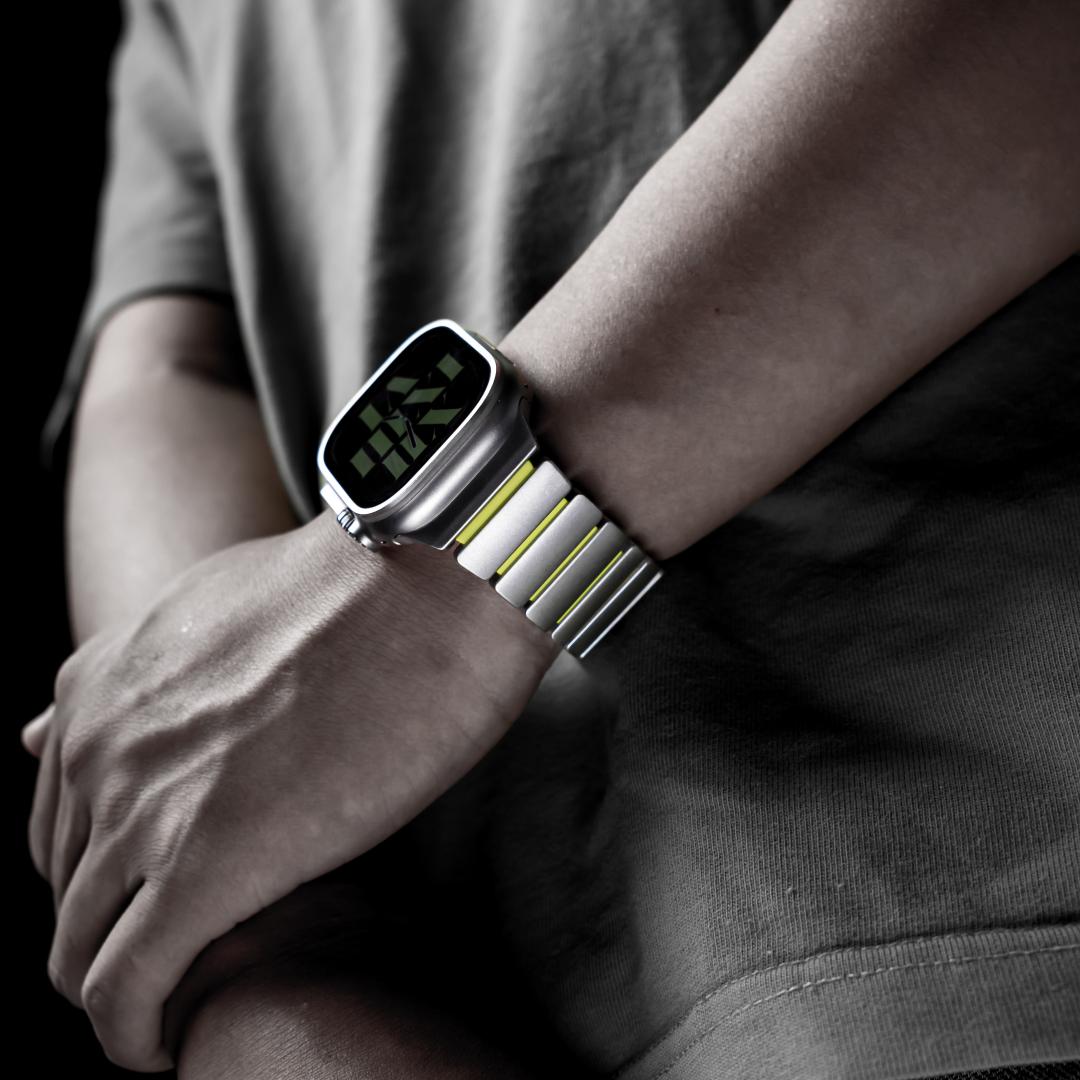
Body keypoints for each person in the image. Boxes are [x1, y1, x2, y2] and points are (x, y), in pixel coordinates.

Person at [23, 0, 1079, 1076]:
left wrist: (434, 580)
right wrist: (270, 951)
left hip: (975, 889)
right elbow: (168, 371)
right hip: (456, 994)